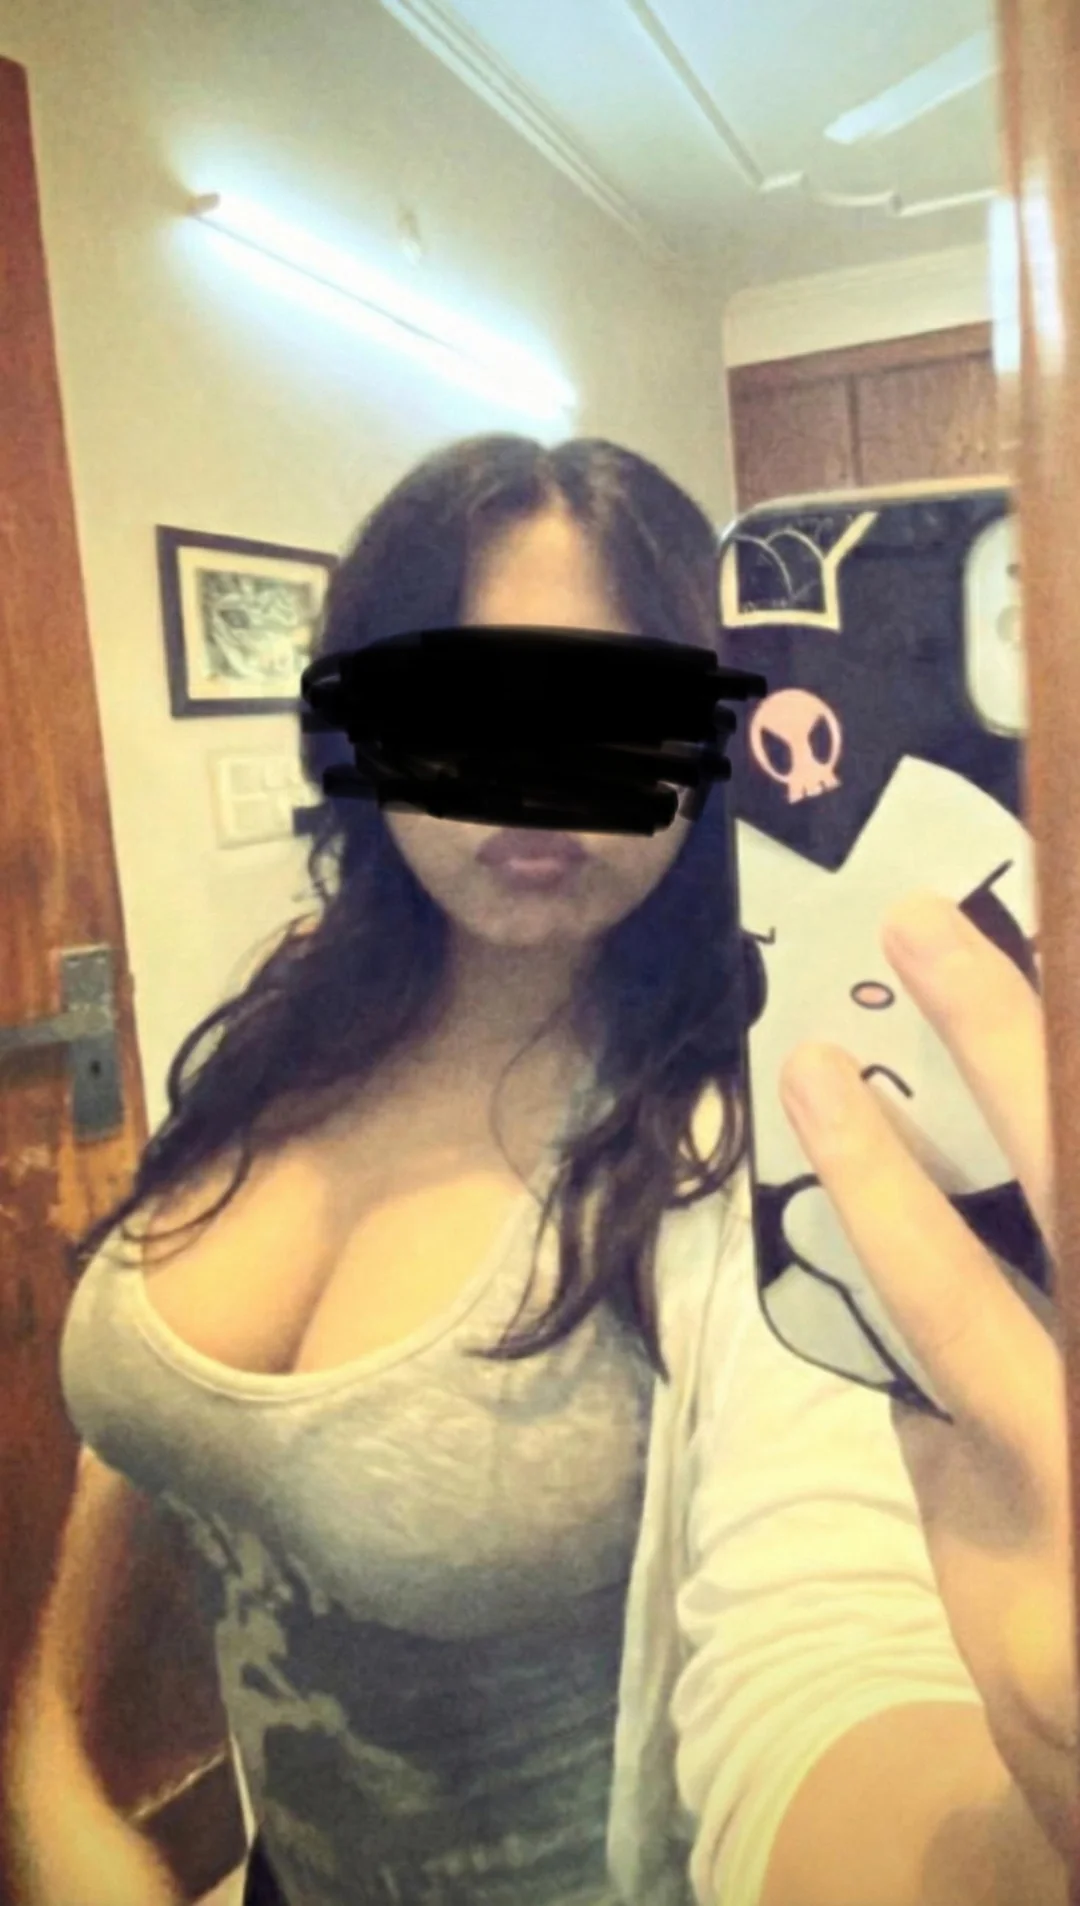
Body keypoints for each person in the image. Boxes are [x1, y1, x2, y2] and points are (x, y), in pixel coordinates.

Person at [2, 435, 1072, 1906]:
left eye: (617, 720)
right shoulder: (292, 1011)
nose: (535, 793)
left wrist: (1023, 1830)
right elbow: (151, 1425)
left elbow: (826, 1658)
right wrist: (48, 1752)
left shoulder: (761, 1146)